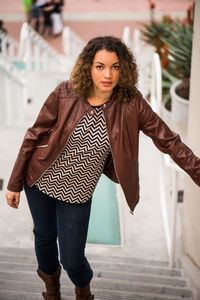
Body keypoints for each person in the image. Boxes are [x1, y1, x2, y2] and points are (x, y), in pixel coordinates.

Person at [6, 36, 200, 300]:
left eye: (115, 67)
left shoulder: (132, 104)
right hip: (39, 180)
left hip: (78, 193)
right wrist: (14, 183)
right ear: (89, 67)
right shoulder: (65, 92)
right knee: (44, 237)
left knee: (73, 260)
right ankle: (51, 291)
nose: (107, 74)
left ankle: (83, 293)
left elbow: (168, 140)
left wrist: (197, 170)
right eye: (100, 66)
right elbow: (33, 135)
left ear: (124, 69)